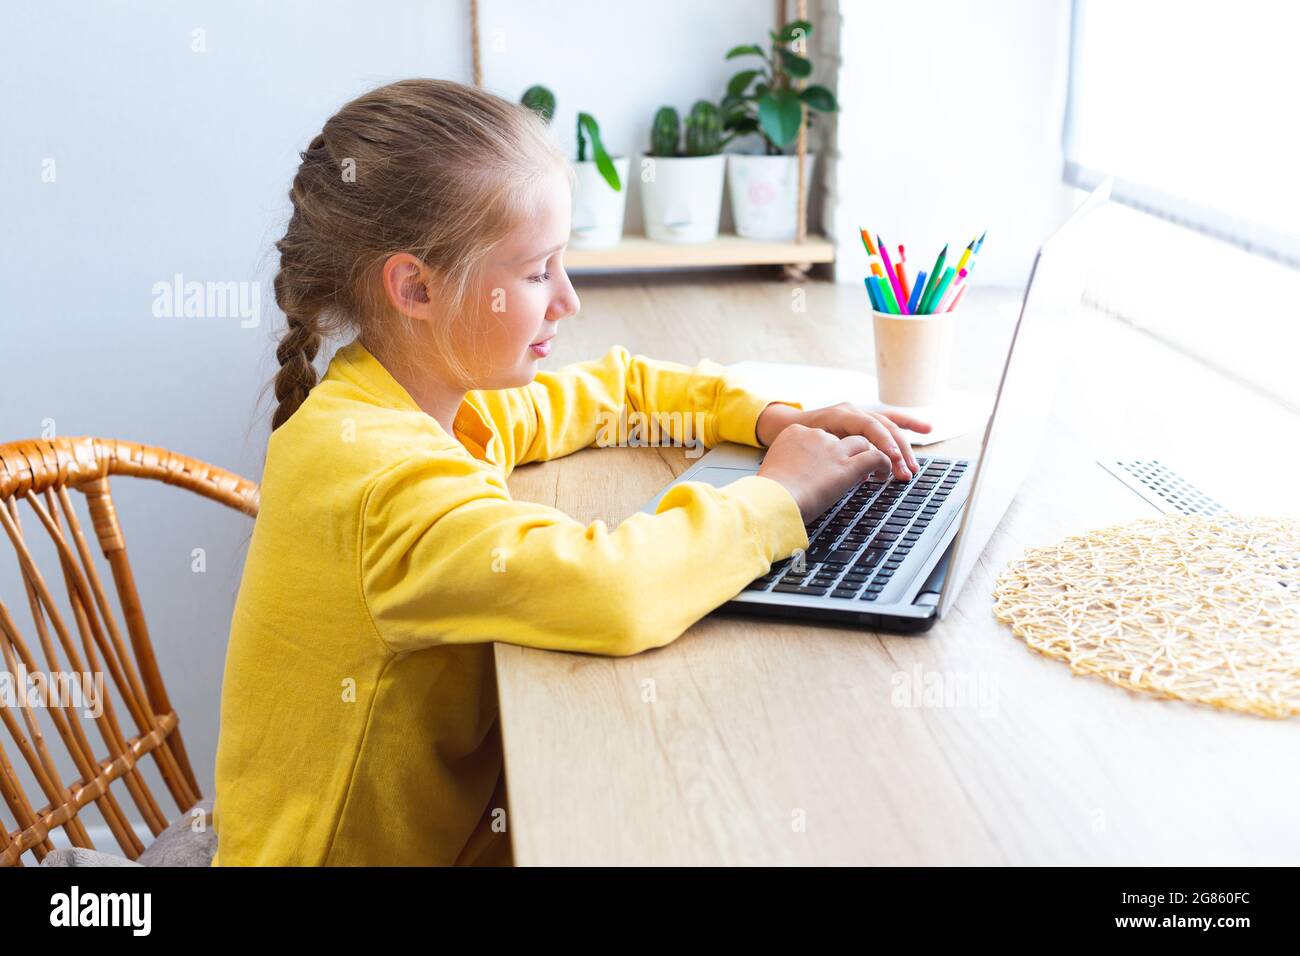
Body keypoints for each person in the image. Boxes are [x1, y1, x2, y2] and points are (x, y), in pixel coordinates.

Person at [211, 78, 929, 866]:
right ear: (415, 286)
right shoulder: (388, 484)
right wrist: (777, 493)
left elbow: (612, 394)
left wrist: (766, 420)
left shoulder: (422, 399)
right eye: (537, 272)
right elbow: (615, 591)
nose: (569, 300)